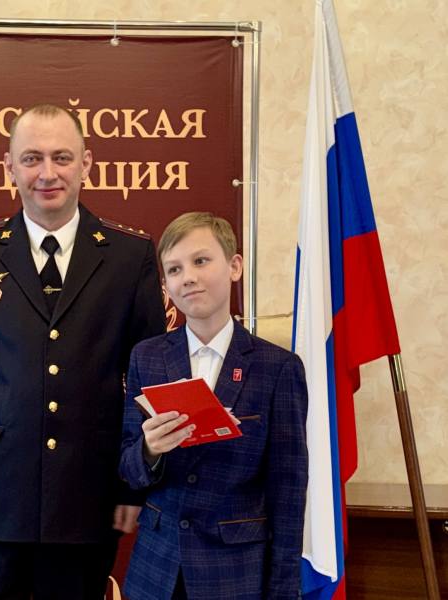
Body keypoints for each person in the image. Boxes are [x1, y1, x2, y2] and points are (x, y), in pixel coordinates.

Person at [0, 103, 166, 599]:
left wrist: (132, 485)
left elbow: (146, 380)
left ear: (86, 163)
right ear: (10, 167)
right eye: (32, 158)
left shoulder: (130, 255)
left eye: (62, 157)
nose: (47, 173)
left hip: (89, 494)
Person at [119, 212, 308, 600]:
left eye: (201, 261)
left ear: (234, 266)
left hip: (235, 575)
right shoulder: (146, 358)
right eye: (174, 269)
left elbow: (288, 492)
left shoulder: (277, 368)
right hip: (155, 571)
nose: (187, 277)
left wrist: (283, 591)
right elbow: (128, 470)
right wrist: (149, 450)